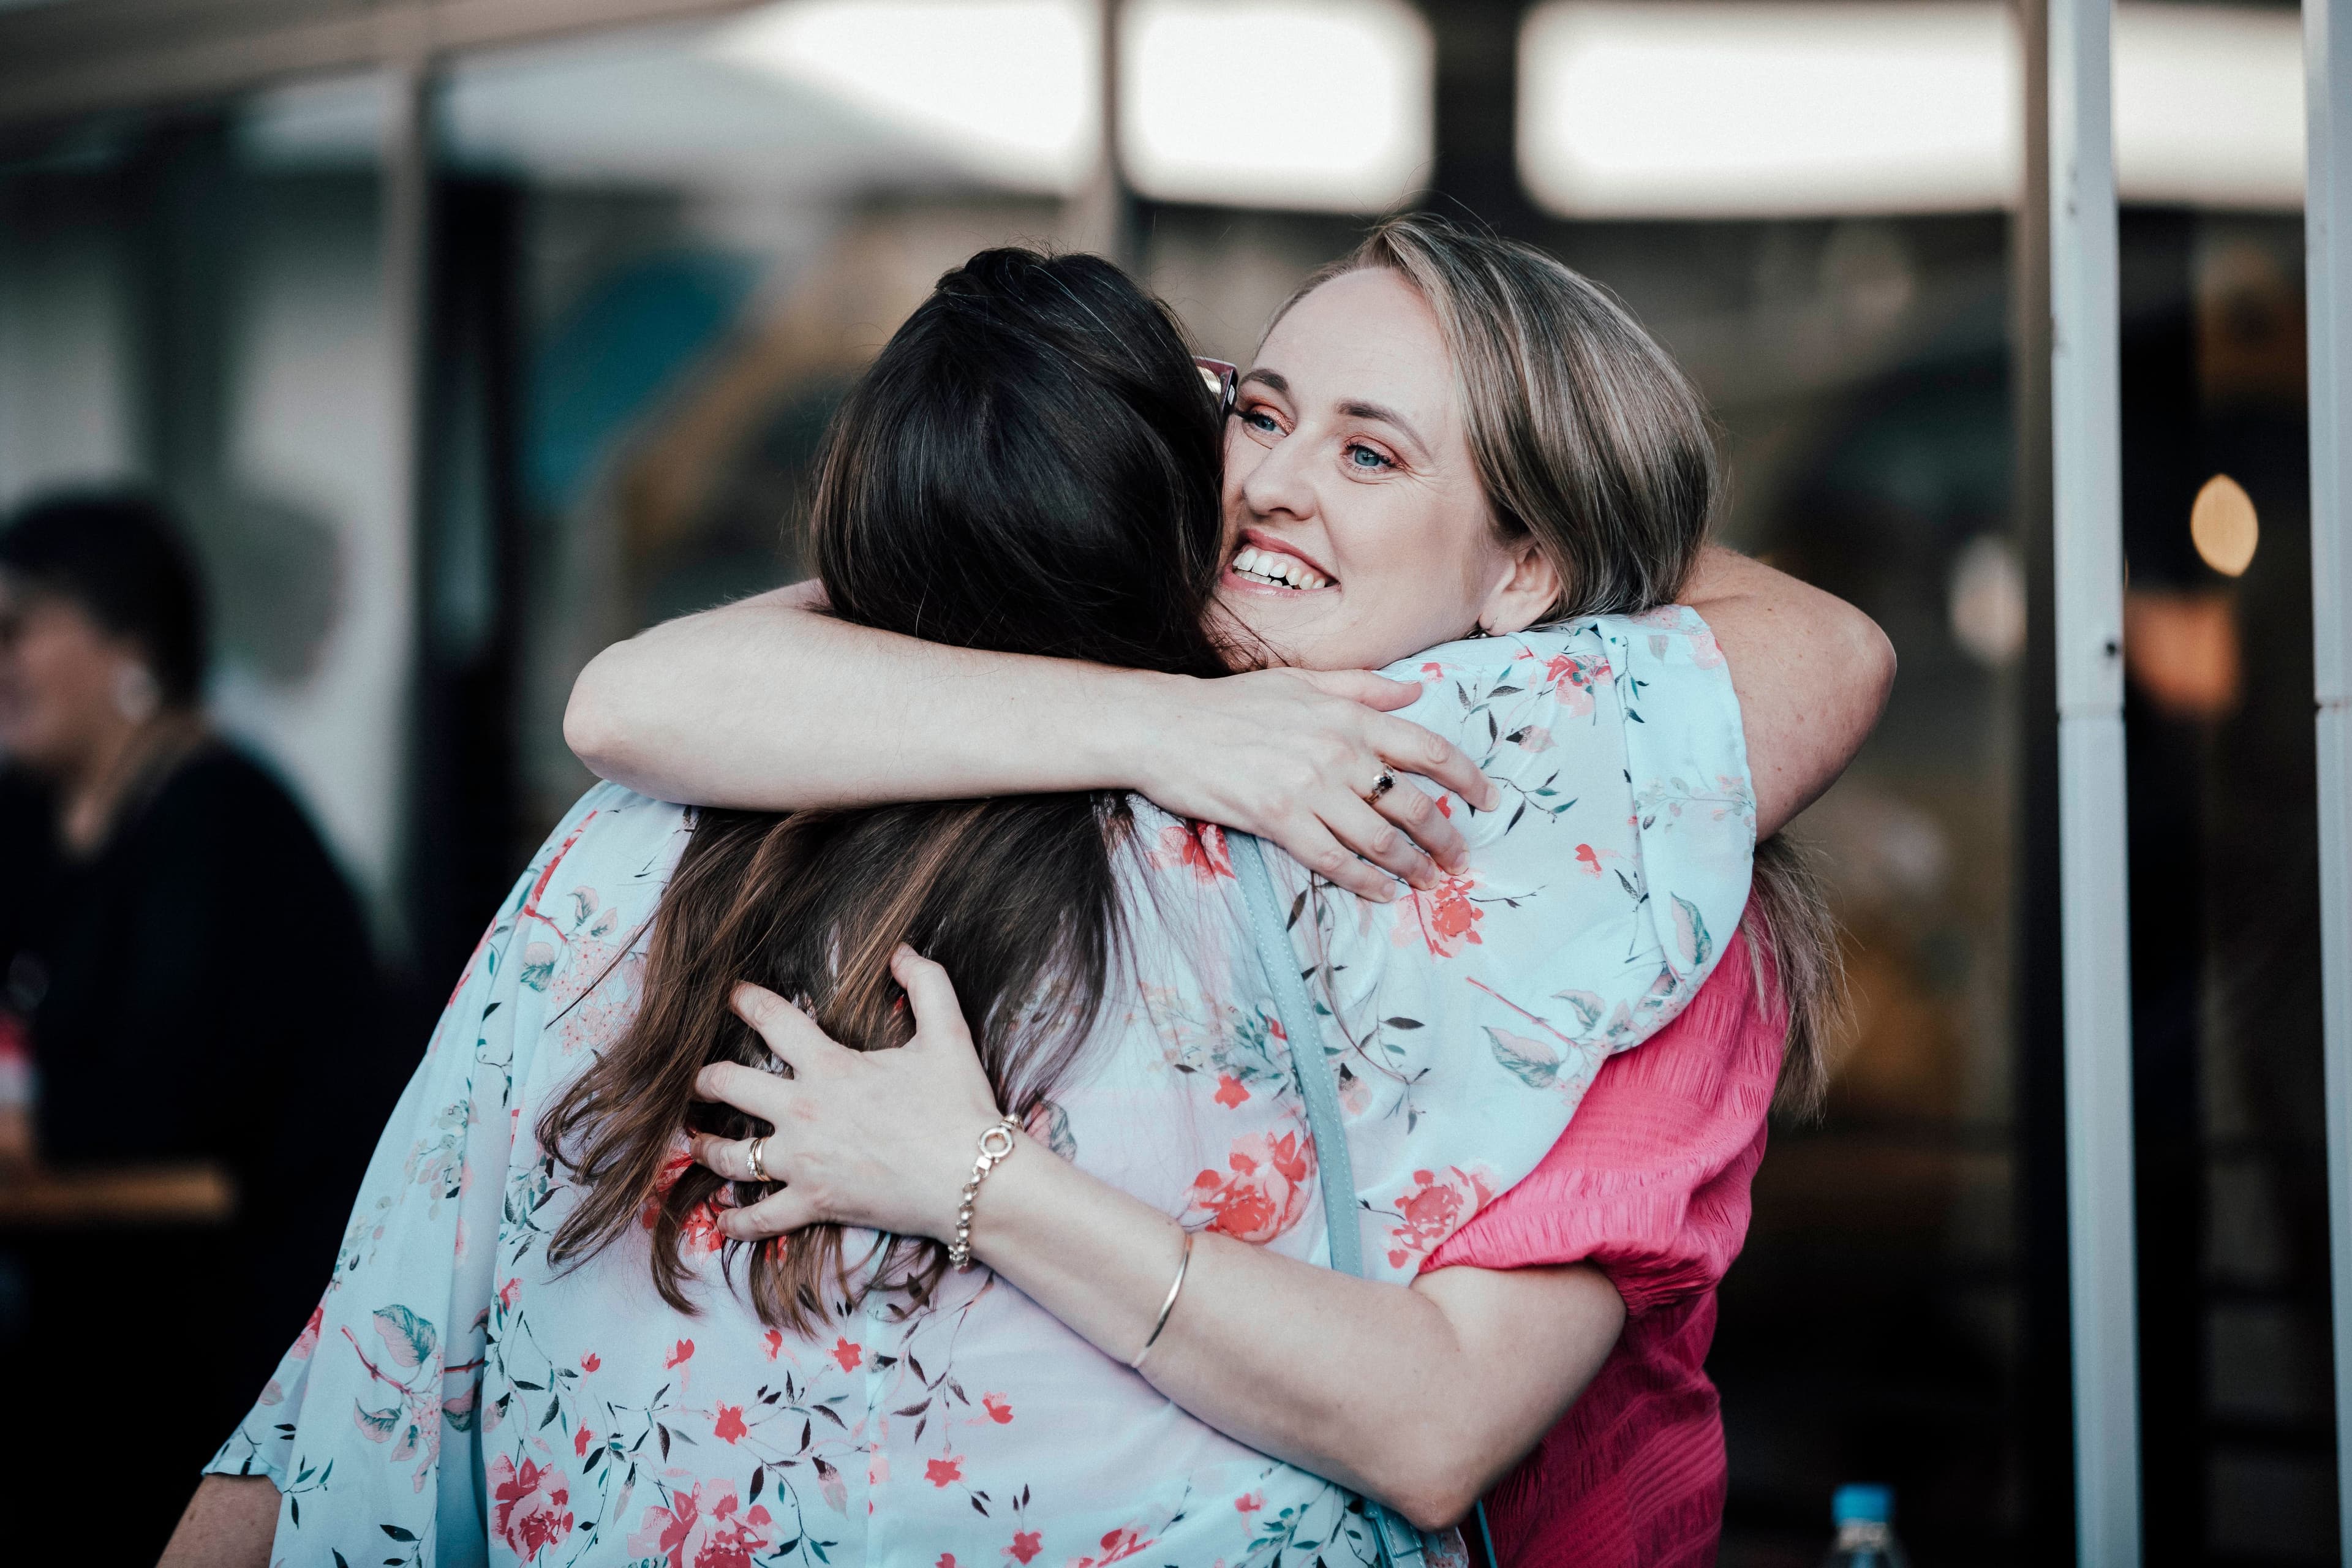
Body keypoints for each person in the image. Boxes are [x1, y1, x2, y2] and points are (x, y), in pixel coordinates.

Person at [171, 235, 1879, 1565]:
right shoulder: (1076, 768)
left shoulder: (1606, 881)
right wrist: (1171, 723)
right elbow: (640, 693)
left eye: (1373, 454)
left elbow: (1438, 1427)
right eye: (1257, 412)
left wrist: (974, 1175)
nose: (1272, 482)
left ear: (1529, 565)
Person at [0, 492, 396, 1559]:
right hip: (91, 1325)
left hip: (233, 1365)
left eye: (18, 628)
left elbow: (142, 1109)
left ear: (130, 648)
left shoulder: (226, 824)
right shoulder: (31, 816)